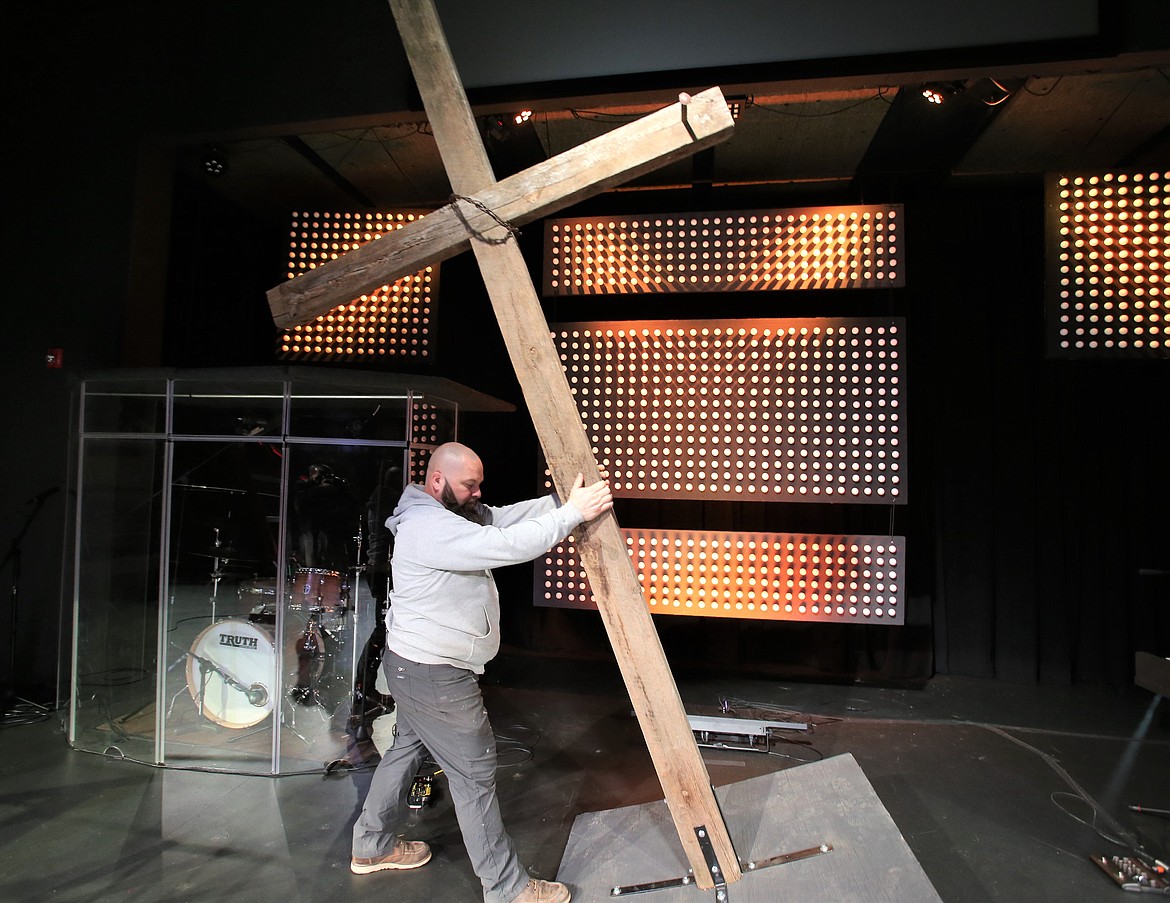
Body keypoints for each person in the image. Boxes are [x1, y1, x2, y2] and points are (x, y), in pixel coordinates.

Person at [350, 442, 612, 903]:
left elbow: (502, 518)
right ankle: (507, 888)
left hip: (415, 667)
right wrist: (571, 515)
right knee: (473, 776)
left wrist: (559, 503)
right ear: (438, 482)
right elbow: (505, 545)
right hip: (434, 675)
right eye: (469, 485)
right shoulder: (428, 528)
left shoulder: (449, 512)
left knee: (404, 751)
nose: (477, 494)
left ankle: (370, 847)